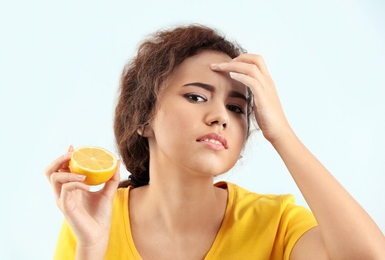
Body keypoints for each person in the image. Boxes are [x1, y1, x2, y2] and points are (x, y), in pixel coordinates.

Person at [45, 24, 385, 259]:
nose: (220, 116)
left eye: (236, 107)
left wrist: (280, 133)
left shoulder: (276, 223)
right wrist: (91, 248)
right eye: (195, 97)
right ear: (145, 117)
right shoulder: (90, 223)